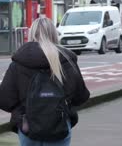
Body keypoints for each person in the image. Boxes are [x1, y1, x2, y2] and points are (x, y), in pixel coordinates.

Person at [0, 17, 90, 146]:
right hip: (60, 126)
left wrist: (23, 110)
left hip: (28, 128)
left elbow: (5, 100)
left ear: (31, 33)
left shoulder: (19, 62)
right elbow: (81, 97)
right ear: (54, 34)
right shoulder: (66, 60)